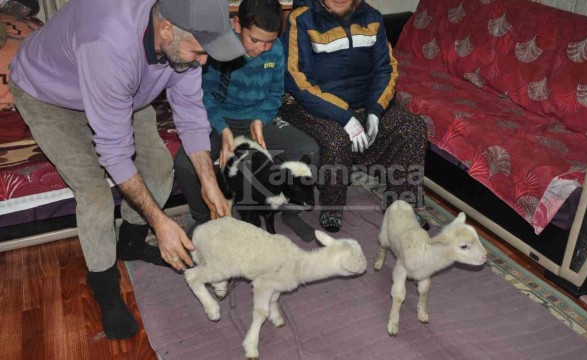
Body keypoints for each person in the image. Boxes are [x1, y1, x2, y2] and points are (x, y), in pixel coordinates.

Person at [9, 0, 242, 340]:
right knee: (96, 194)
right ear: (165, 30)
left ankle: (130, 243)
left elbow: (191, 113)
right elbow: (115, 153)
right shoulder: (109, 44)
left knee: (160, 167)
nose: (204, 62)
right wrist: (160, 222)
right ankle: (104, 286)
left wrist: (210, 182)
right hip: (48, 93)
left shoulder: (180, 41)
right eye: (199, 51)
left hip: (120, 88)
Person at [174, 0, 319, 242]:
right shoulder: (217, 48)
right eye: (255, 40)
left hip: (260, 120)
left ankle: (290, 212)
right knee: (186, 165)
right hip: (219, 120)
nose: (262, 48)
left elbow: (275, 94)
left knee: (308, 151)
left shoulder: (276, 50)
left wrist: (260, 120)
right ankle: (201, 219)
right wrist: (221, 128)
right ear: (237, 24)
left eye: (269, 41)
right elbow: (204, 95)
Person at [279, 0, 429, 232]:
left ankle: (402, 207)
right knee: (336, 139)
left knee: (412, 128)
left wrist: (375, 111)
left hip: (363, 104)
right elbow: (297, 80)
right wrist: (344, 117)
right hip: (314, 105)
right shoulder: (302, 19)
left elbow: (385, 69)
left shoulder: (373, 17)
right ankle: (332, 207)